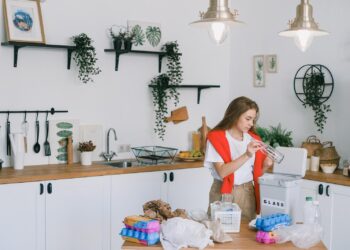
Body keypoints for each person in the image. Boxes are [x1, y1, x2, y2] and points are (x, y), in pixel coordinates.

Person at [204, 96, 273, 221]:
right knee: (219, 233)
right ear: (235, 115)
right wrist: (247, 154)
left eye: (253, 119)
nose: (251, 123)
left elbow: (255, 174)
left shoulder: (254, 139)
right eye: (248, 119)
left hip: (246, 192)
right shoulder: (216, 138)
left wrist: (265, 166)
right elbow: (222, 171)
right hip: (222, 192)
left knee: (246, 237)